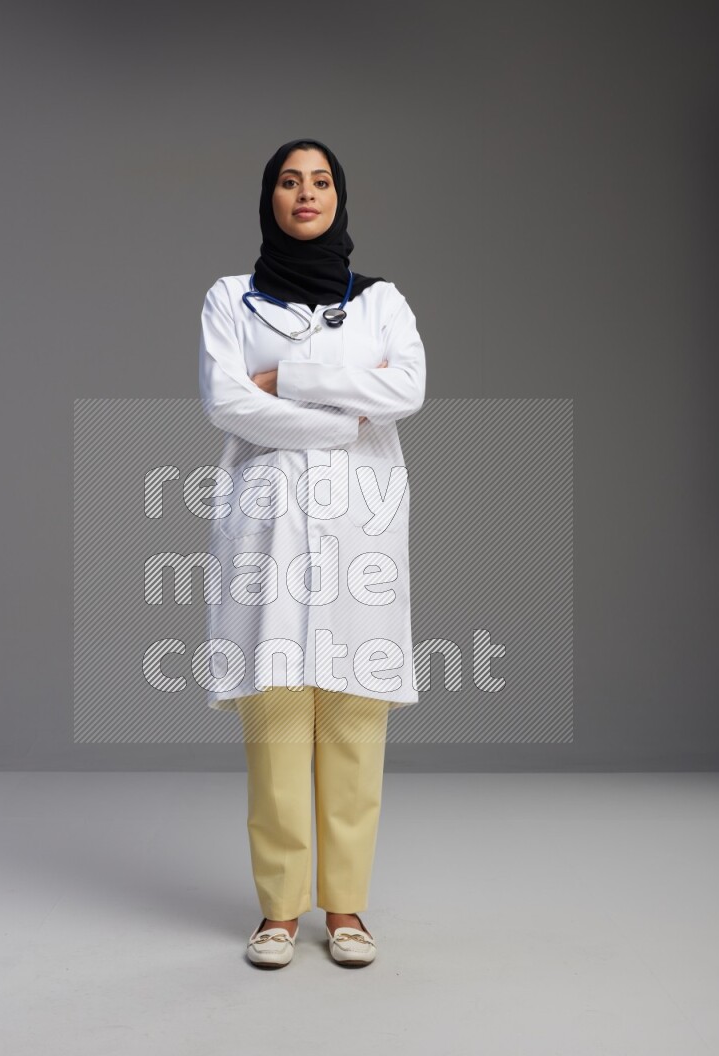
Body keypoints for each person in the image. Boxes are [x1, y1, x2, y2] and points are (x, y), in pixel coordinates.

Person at [197, 137, 426, 968]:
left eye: (320, 182)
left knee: (354, 720)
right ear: (269, 198)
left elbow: (406, 389)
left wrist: (284, 381)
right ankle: (280, 911)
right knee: (279, 717)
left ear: (339, 197)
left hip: (360, 529)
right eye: (290, 182)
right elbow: (227, 402)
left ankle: (348, 908)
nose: (305, 194)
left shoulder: (382, 302)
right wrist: (343, 411)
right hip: (269, 529)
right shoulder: (230, 298)